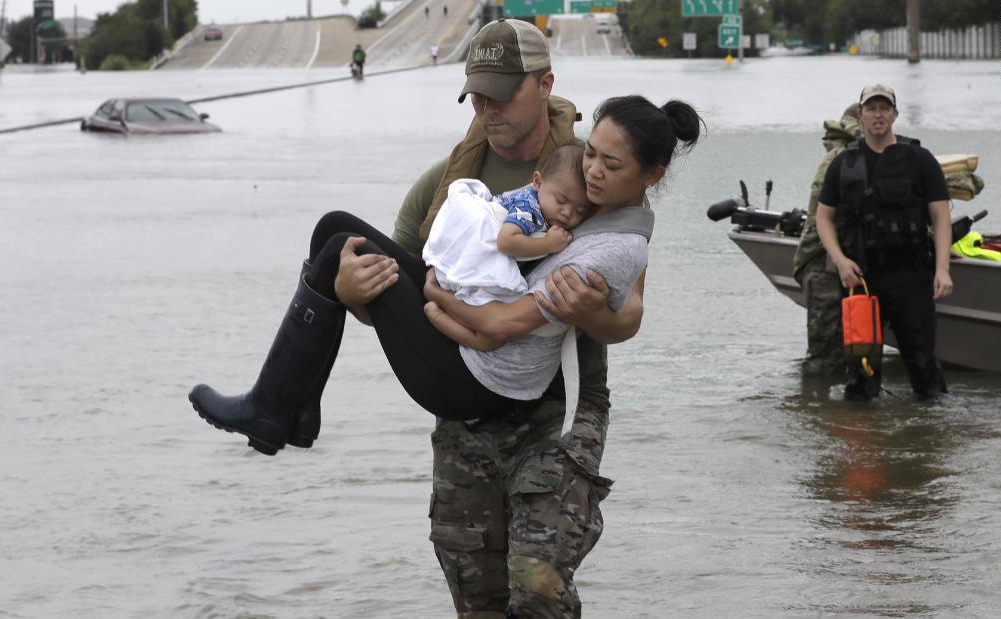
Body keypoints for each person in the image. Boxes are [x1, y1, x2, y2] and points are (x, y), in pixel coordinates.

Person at [340, 19, 702, 617]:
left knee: (538, 592)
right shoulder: (447, 184)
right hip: (469, 401)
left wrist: (597, 314)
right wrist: (351, 291)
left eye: (501, 93)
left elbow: (630, 305)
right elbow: (397, 300)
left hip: (559, 408)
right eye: (476, 94)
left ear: (545, 85)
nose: (487, 107)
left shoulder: (597, 177)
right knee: (475, 592)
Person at [816, 84, 952, 401]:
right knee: (862, 369)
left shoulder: (920, 159)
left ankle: (930, 441)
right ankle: (862, 443)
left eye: (884, 108)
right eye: (871, 108)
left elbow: (941, 216)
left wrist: (942, 270)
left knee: (924, 368)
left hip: (912, 276)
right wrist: (839, 261)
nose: (878, 115)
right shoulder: (843, 163)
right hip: (861, 279)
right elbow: (824, 218)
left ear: (894, 114)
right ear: (860, 115)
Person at [423, 144, 592, 312]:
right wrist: (549, 244)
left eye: (580, 210)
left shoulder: (544, 208)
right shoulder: (529, 207)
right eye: (561, 200)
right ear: (538, 182)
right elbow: (506, 241)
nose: (567, 213)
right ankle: (437, 316)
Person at [792, 103, 861, 375]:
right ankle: (816, 410)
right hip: (823, 265)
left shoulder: (849, 156)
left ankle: (825, 412)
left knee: (851, 349)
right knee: (825, 357)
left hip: (838, 264)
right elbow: (825, 218)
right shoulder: (840, 159)